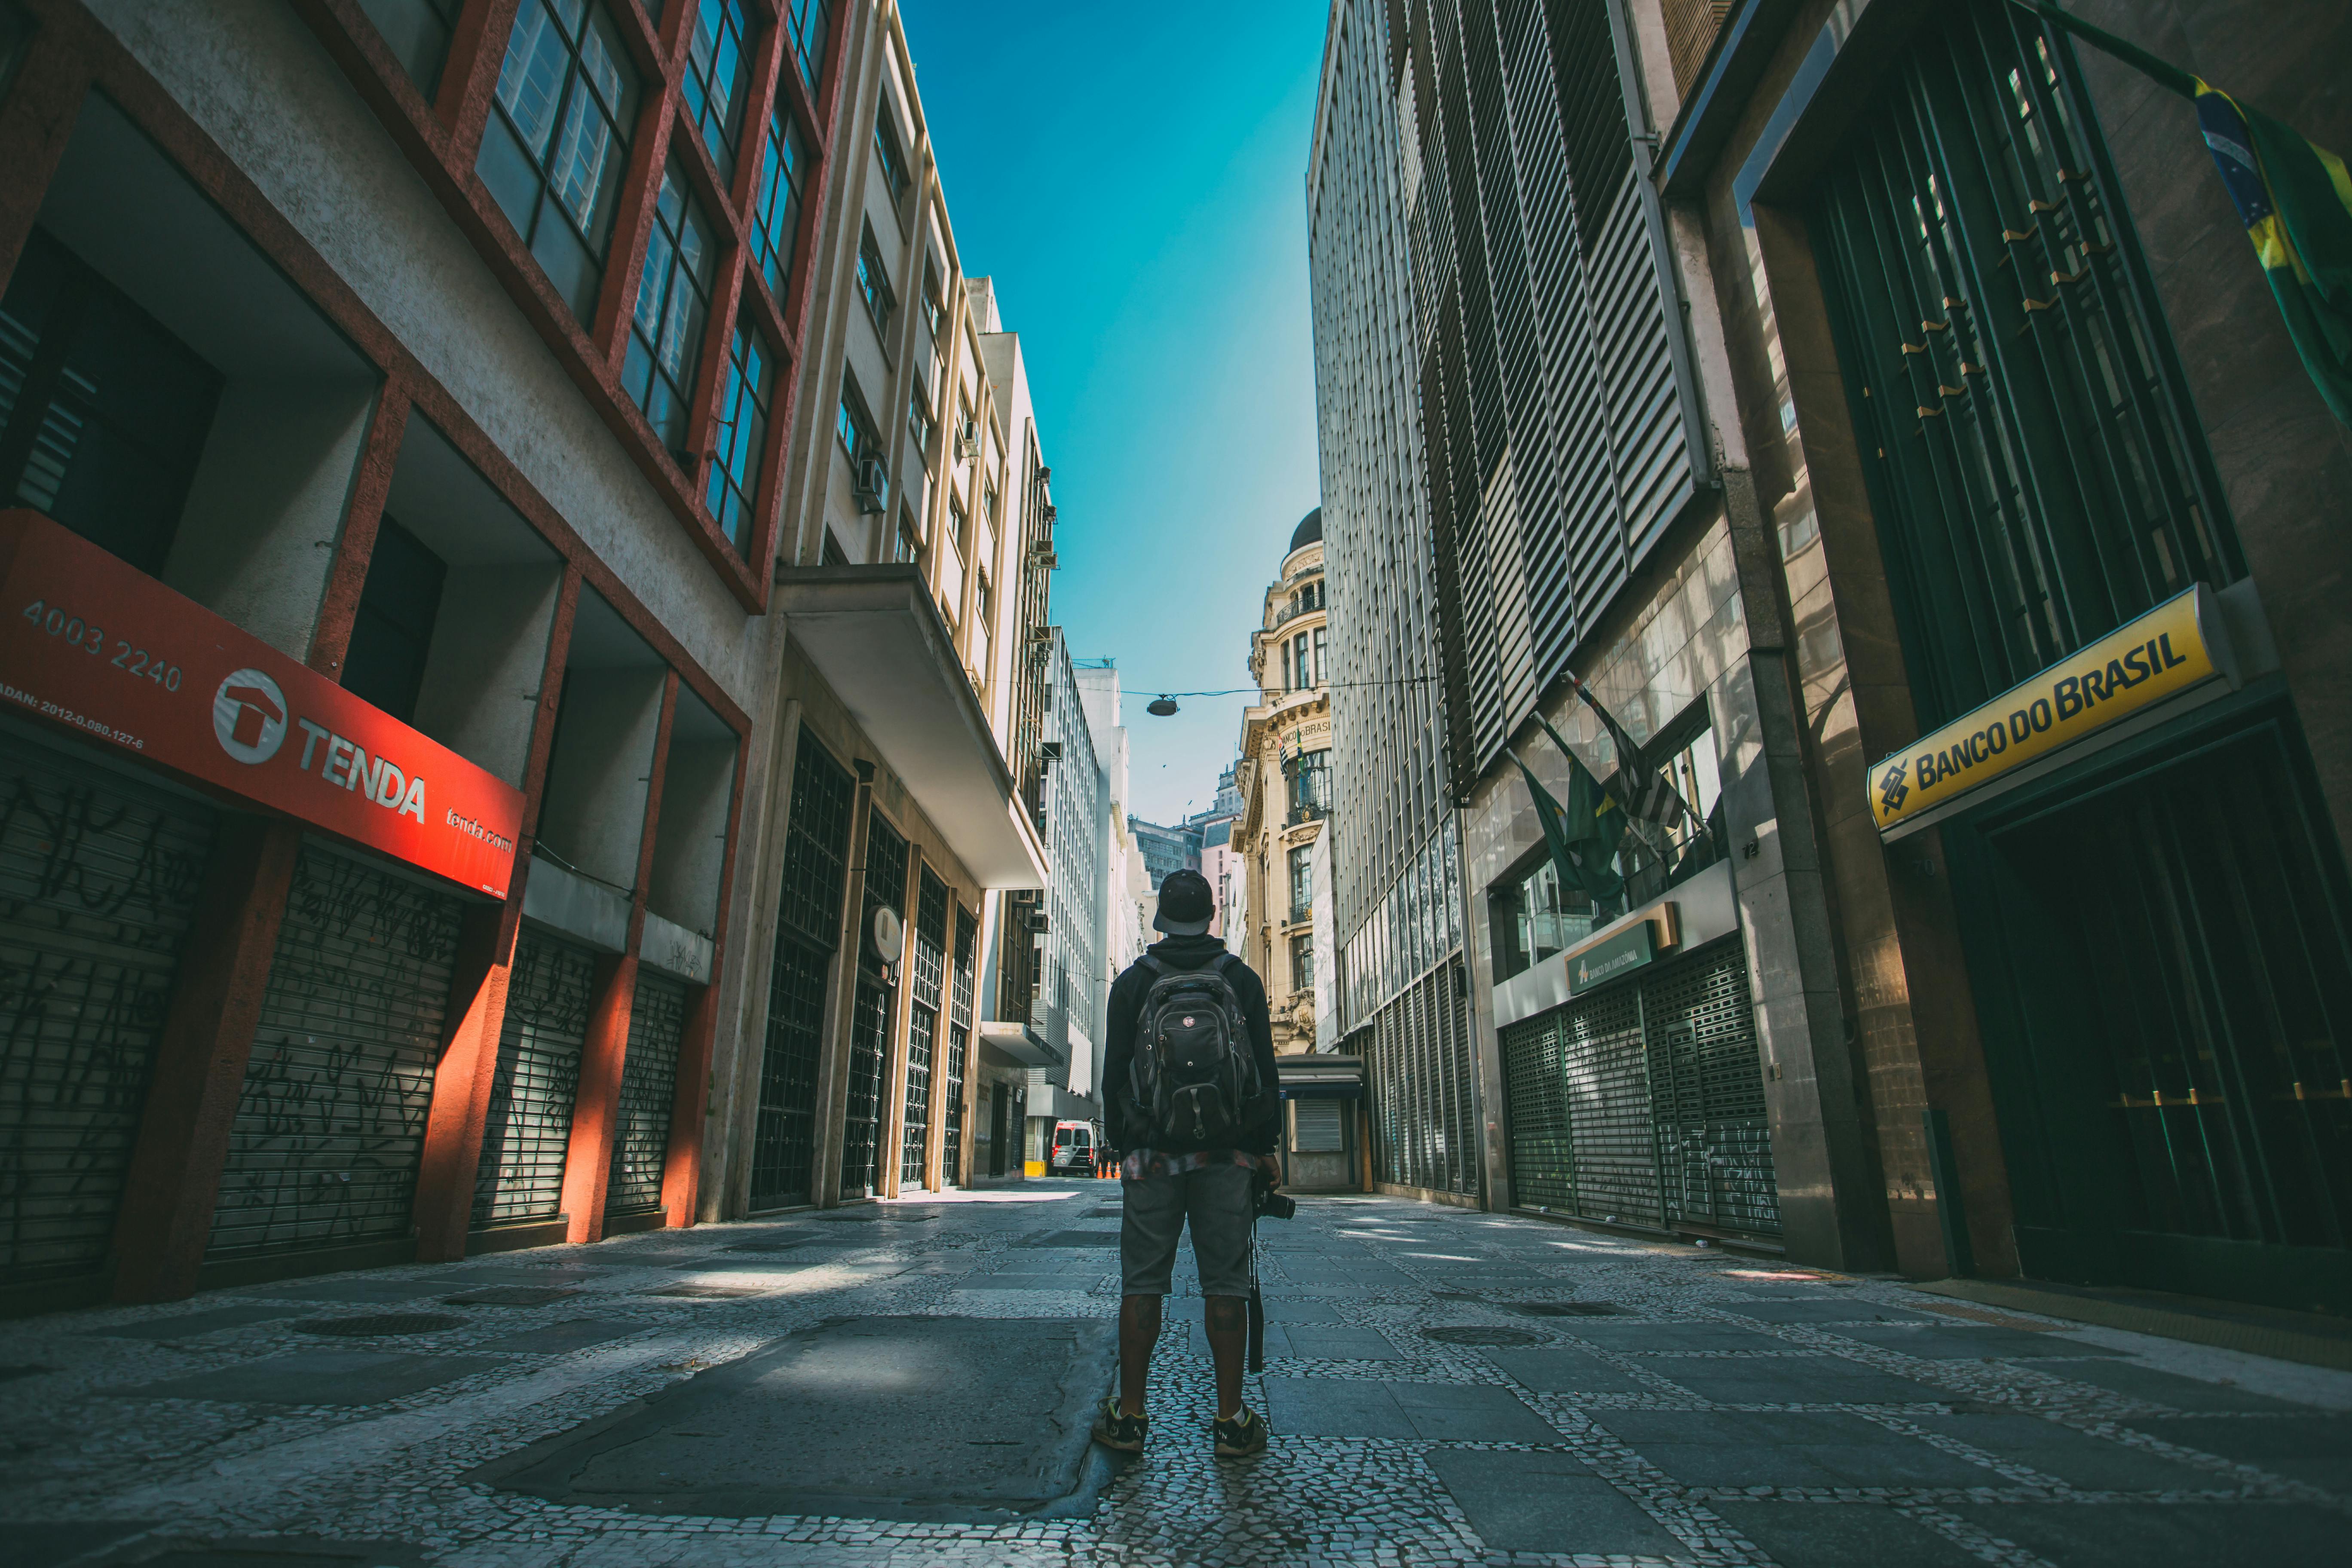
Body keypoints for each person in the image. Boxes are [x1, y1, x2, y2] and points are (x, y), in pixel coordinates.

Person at [1090, 868, 1282, 1459]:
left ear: (1161, 921)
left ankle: (1131, 1416)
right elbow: (1265, 1076)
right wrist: (1265, 1148)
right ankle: (1229, 1420)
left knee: (1143, 1282)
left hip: (1152, 1155)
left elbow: (1115, 1072)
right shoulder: (1240, 979)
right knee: (1225, 1282)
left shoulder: (1132, 984)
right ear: (1212, 917)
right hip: (1227, 1155)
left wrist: (1126, 1144)